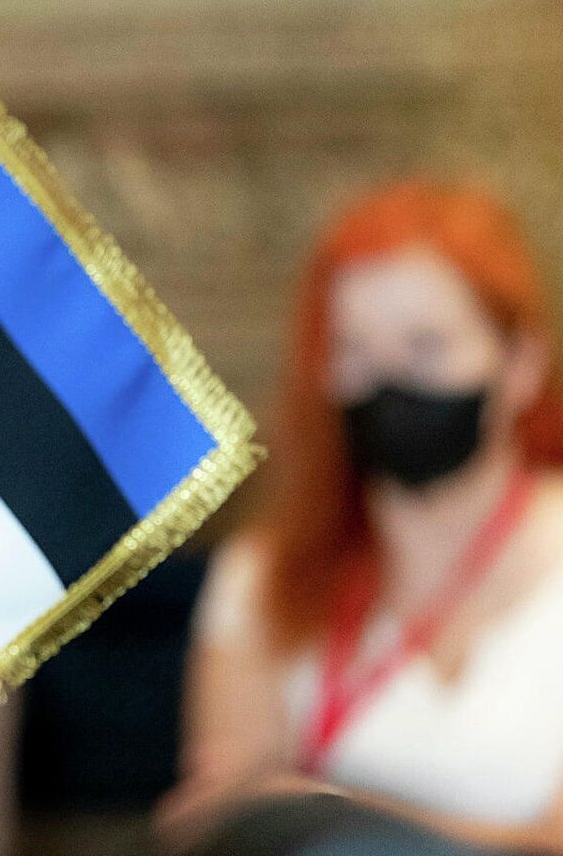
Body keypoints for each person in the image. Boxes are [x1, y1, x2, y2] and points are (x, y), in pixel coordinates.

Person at [161, 181, 563, 855]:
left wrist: (329, 812)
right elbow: (214, 816)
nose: (387, 380)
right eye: (354, 350)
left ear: (521, 364)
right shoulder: (266, 571)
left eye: (426, 346)